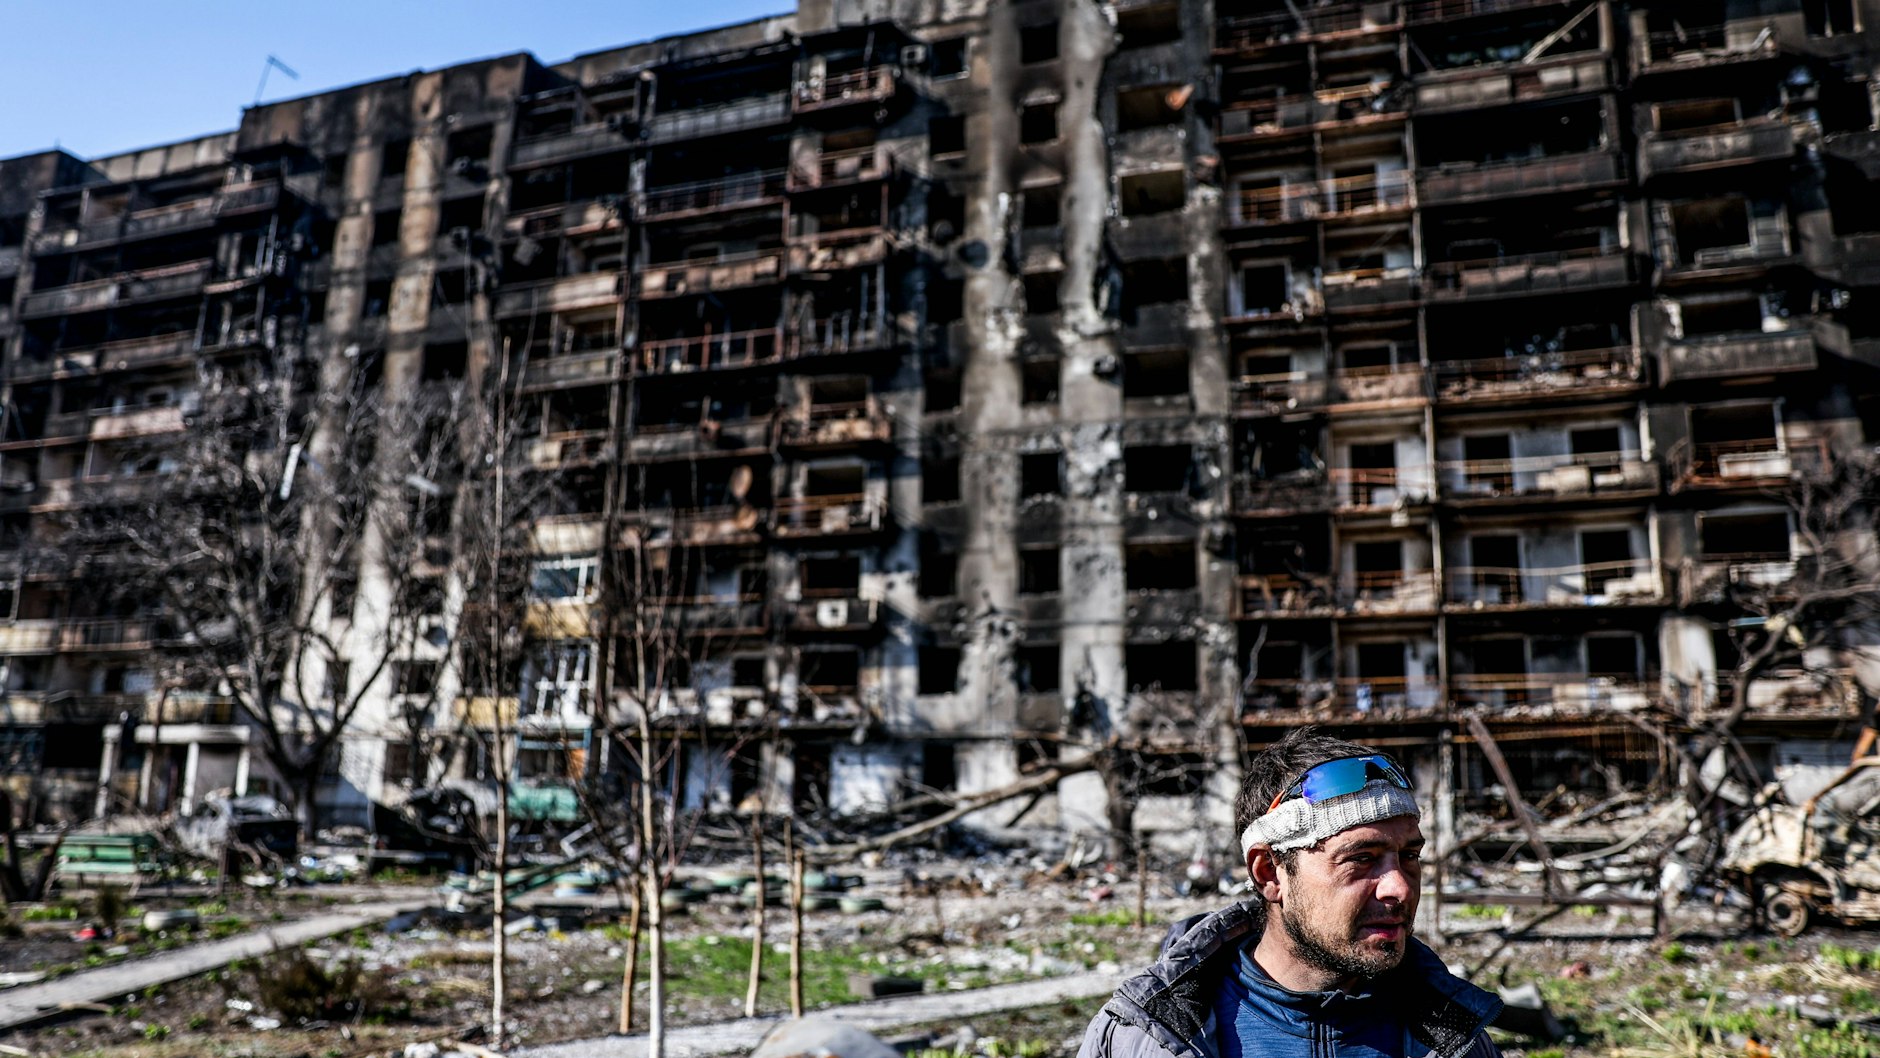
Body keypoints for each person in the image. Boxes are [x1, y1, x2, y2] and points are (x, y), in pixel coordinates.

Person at [1077, 728, 1501, 1058]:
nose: (1400, 887)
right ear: (1269, 872)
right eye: (1361, 858)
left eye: (1409, 855)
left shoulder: (1452, 1036)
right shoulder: (1149, 1038)